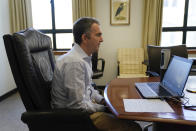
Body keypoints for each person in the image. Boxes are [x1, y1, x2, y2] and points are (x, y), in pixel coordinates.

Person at [51, 17, 141, 131]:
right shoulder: (74, 62)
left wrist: (102, 100)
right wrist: (104, 108)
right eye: (98, 35)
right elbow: (77, 106)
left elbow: (88, 88)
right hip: (75, 118)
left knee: (126, 118)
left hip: (81, 111)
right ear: (84, 38)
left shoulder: (83, 57)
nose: (102, 39)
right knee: (134, 127)